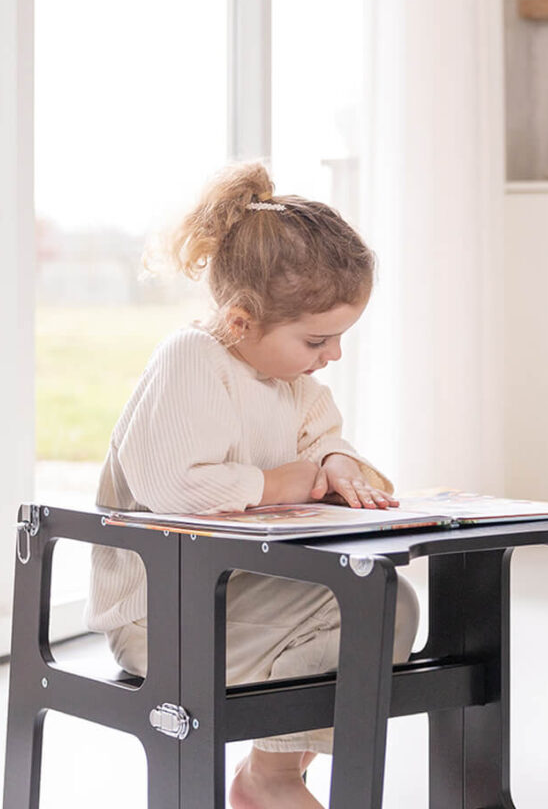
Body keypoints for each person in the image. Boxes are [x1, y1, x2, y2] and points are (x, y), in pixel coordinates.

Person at [85, 161, 419, 809]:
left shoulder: (291, 383)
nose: (333, 356)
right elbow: (175, 490)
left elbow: (324, 439)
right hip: (162, 618)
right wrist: (277, 483)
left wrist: (339, 464)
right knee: (364, 604)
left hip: (239, 597)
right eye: (318, 339)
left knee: (388, 600)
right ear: (240, 323)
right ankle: (271, 780)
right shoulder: (191, 362)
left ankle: (271, 771)